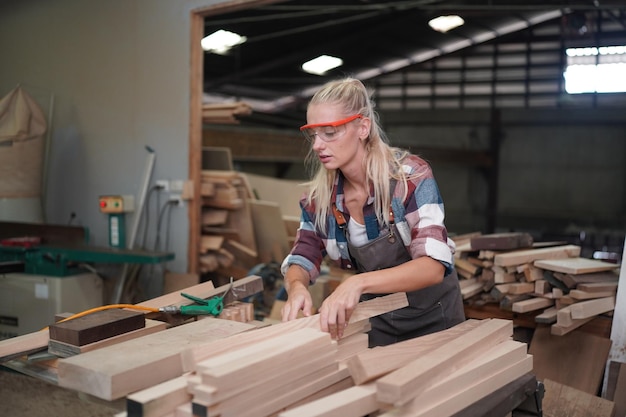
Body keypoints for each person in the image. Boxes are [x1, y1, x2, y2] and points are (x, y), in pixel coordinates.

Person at [280, 77, 465, 347]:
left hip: (434, 318)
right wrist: (296, 287)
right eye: (313, 134)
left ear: (363, 127)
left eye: (329, 132)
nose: (317, 145)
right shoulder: (319, 199)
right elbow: (303, 254)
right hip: (377, 320)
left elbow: (433, 266)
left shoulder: (409, 179)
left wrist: (357, 284)